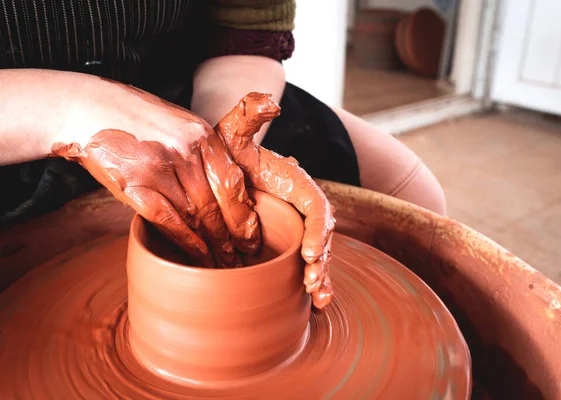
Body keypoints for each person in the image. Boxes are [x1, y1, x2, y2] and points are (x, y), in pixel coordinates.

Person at [0, 1, 445, 308]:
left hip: (180, 99)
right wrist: (73, 107)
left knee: (413, 200)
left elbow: (244, 37)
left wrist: (216, 150)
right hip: (19, 121)